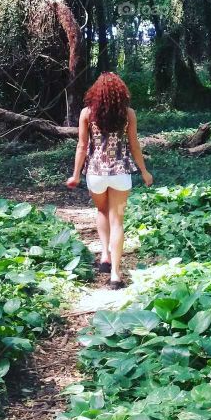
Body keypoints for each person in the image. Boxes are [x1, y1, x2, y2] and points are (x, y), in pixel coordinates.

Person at [66, 72, 152, 288]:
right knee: (117, 221)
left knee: (102, 212)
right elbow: (134, 145)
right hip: (121, 173)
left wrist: (76, 175)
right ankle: (115, 274)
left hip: (95, 174)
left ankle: (104, 254)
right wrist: (144, 171)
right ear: (120, 92)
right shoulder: (128, 114)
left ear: (96, 92)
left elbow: (82, 146)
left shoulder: (87, 113)